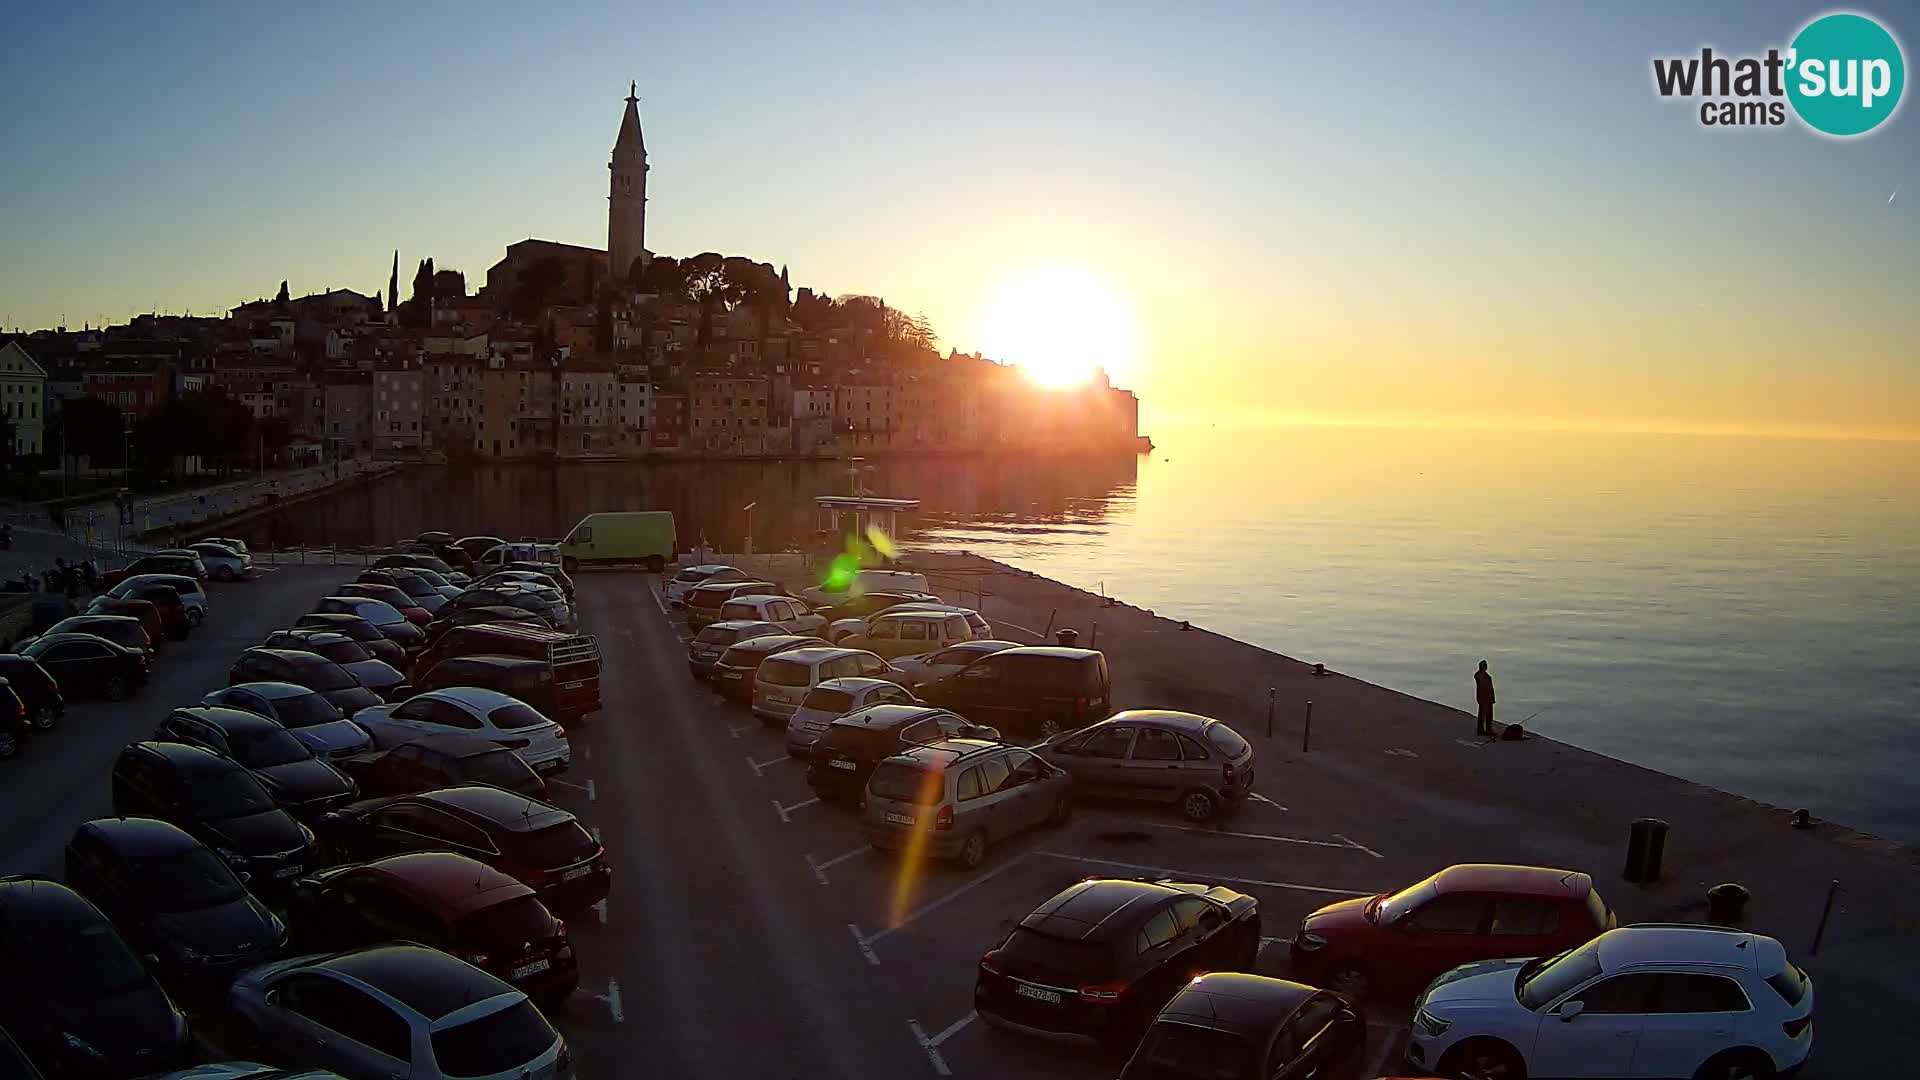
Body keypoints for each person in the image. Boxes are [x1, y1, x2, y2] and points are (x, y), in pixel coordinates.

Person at [1474, 660, 1497, 736]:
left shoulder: (1485, 675)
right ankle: (1481, 730)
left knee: (1489, 714)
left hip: (1488, 697)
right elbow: (1483, 687)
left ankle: (1488, 729)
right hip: (1483, 698)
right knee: (1482, 714)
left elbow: (1490, 687)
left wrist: (1492, 697)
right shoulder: (1479, 675)